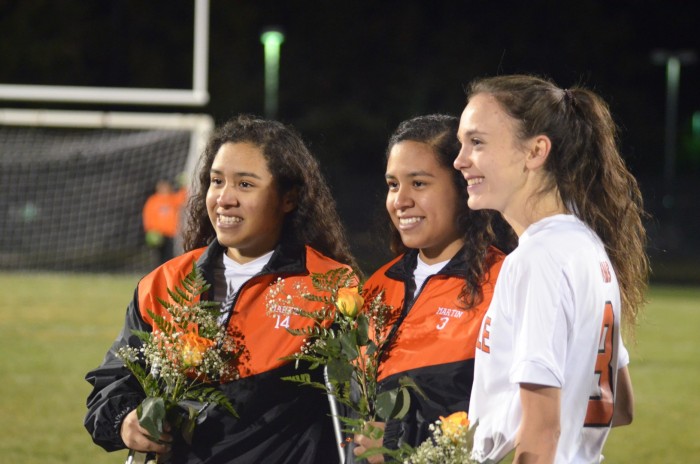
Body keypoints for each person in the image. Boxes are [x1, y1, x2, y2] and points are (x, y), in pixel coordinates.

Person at [85, 115, 359, 464]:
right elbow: (113, 383)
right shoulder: (164, 283)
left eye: (245, 185)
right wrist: (125, 421)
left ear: (288, 198)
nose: (224, 198)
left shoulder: (331, 287)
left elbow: (357, 409)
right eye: (217, 181)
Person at [453, 75, 649, 463]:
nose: (460, 160)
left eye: (476, 142)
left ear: (535, 151)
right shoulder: (588, 248)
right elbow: (618, 406)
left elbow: (542, 431)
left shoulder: (537, 259)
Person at [350, 114, 516, 463]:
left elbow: (520, 415)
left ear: (463, 187)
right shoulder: (378, 285)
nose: (401, 200)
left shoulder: (505, 282)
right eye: (393, 185)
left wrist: (396, 442)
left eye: (419, 184)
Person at [142, 178, 188, 264]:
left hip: (171, 233)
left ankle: (167, 273)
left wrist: (184, 186)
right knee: (159, 256)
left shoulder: (172, 198)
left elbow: (183, 197)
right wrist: (149, 229)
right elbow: (148, 215)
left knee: (169, 256)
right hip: (158, 234)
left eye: (166, 186)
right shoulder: (153, 200)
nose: (164, 188)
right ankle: (158, 272)